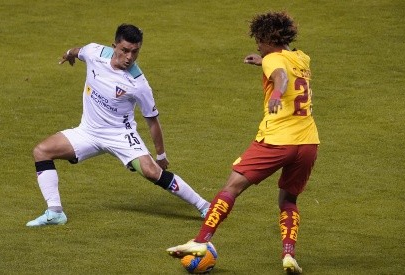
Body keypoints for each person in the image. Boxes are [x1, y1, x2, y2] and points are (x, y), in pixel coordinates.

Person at [166, 12, 319, 274]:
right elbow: (287, 66)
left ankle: (201, 241)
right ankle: (289, 255)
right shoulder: (302, 58)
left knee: (232, 186)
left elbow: (281, 76)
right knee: (288, 199)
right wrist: (263, 61)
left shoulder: (273, 60)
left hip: (276, 140)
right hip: (308, 143)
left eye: (259, 40)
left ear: (268, 38)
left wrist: (277, 92)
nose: (257, 45)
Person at [26, 24, 210, 227]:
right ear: (114, 46)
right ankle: (55, 212)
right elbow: (79, 51)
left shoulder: (138, 84)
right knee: (41, 151)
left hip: (120, 135)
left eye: (135, 51)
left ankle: (205, 207)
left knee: (151, 172)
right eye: (125, 50)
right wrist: (69, 54)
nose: (129, 57)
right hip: (88, 132)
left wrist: (161, 155)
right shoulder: (95, 52)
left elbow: (152, 120)